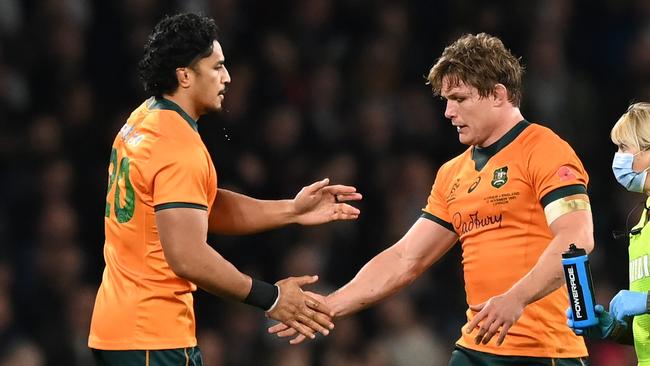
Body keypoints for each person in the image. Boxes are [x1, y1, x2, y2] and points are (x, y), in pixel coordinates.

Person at [270, 33, 594, 365]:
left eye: (459, 99)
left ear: (498, 95)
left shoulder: (544, 149)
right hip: (477, 347)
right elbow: (406, 258)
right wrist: (329, 305)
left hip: (543, 350)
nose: (448, 112)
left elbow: (576, 238)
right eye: (445, 100)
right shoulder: (453, 173)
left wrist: (517, 298)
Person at [88, 13, 362, 366]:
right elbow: (188, 256)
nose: (227, 78)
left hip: (119, 327)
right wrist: (272, 297)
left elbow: (199, 207)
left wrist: (292, 211)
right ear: (185, 75)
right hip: (151, 337)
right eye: (217, 67)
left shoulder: (144, 118)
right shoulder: (178, 147)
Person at [567, 102, 650, 363]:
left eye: (625, 148)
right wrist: (613, 328)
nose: (619, 157)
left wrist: (647, 301)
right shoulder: (642, 223)